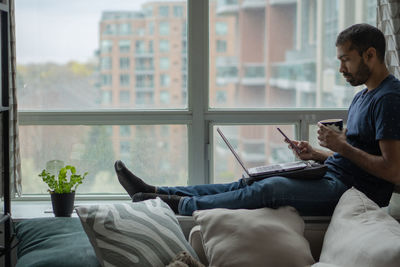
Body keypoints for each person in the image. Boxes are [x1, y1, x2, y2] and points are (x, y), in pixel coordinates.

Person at [115, 23, 400, 216]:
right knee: (250, 180)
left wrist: (341, 147)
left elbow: (392, 171)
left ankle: (176, 206)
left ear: (370, 55)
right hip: (334, 176)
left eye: (346, 60)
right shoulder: (364, 95)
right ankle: (154, 191)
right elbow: (354, 158)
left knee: (270, 189)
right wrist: (318, 154)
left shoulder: (389, 98)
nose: (341, 68)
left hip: (354, 193)